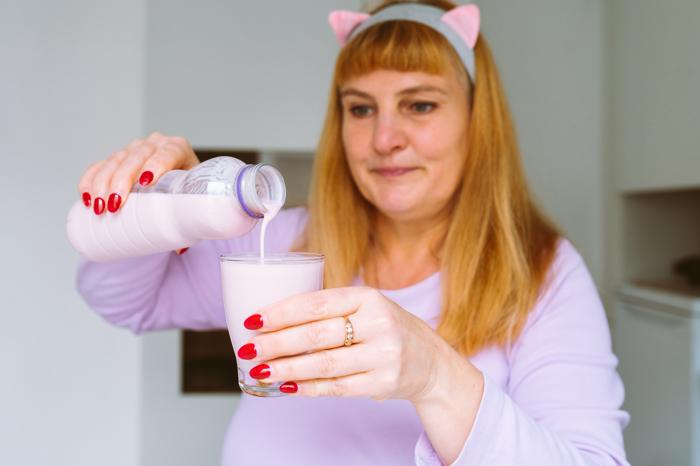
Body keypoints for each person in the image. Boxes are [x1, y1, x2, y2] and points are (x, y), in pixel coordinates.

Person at [75, 1, 630, 465]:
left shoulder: (543, 274)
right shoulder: (284, 244)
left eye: (419, 104)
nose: (385, 138)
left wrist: (435, 375)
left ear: (476, 120)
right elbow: (121, 301)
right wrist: (161, 206)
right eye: (361, 109)